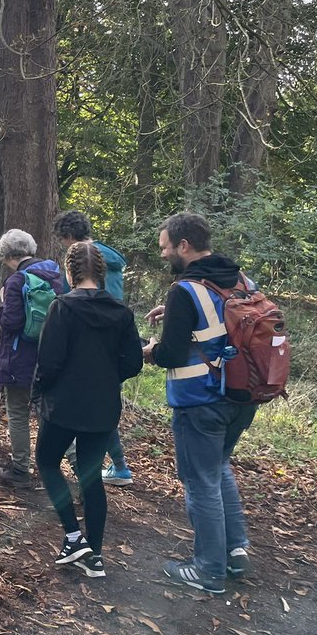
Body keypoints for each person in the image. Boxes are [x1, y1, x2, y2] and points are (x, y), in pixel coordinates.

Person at [140, 212, 258, 594]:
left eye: (165, 247)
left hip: (201, 402)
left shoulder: (185, 289)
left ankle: (208, 569)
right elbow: (223, 329)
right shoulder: (240, 279)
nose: (163, 254)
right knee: (219, 467)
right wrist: (172, 314)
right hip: (243, 397)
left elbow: (173, 353)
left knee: (200, 480)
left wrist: (150, 350)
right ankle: (235, 549)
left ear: (183, 245)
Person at [35, 242, 144, 578]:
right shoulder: (121, 312)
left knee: (47, 462)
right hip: (101, 407)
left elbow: (49, 362)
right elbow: (134, 362)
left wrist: (40, 391)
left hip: (63, 406)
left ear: (69, 273)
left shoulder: (62, 308)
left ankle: (72, 536)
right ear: (102, 272)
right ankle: (94, 555)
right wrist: (107, 377)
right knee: (91, 476)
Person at [54, 210, 134, 486]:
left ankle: (90, 474)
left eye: (62, 240)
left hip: (85, 342)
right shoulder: (107, 258)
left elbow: (70, 297)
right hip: (114, 339)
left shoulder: (79, 261)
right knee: (104, 404)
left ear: (67, 237)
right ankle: (119, 466)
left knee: (82, 409)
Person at [0, 228, 64, 486]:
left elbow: (10, 323)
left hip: (20, 358)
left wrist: (3, 304)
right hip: (51, 357)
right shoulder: (55, 275)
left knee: (18, 412)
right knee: (53, 415)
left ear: (8, 256)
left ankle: (21, 469)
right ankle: (80, 472)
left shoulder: (16, 281)